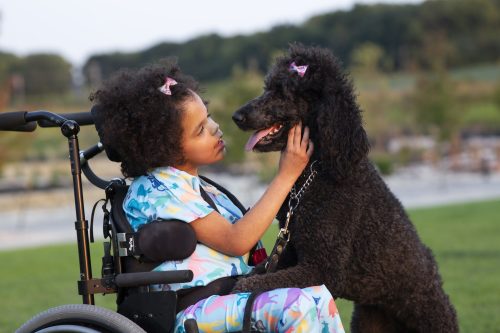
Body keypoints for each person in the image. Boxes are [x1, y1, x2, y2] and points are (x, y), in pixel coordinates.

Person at [91, 60, 344, 333]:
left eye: (208, 116)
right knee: (299, 304)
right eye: (200, 129)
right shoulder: (158, 189)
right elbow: (236, 241)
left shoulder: (203, 188)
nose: (214, 128)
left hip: (227, 299)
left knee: (318, 296)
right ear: (164, 147)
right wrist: (286, 175)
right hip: (194, 309)